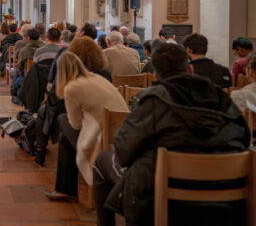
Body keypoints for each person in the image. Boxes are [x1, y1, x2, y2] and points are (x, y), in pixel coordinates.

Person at [93, 43, 249, 226]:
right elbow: (244, 139)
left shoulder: (153, 100)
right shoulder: (223, 97)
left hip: (167, 191)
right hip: (227, 188)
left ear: (156, 75)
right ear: (190, 69)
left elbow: (123, 151)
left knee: (102, 160)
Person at [44, 52, 128, 202]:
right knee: (64, 140)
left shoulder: (72, 88)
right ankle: (65, 191)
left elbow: (75, 125)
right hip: (123, 134)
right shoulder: (98, 78)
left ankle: (66, 190)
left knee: (61, 119)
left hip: (103, 138)